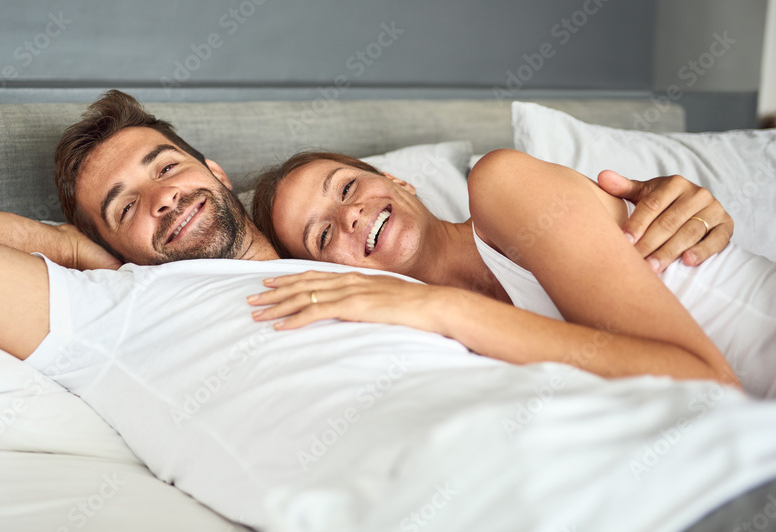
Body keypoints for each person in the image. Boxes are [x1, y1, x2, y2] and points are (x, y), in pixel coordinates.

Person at [0, 90, 776, 532]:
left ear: (214, 170)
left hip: (707, 448)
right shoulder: (113, 308)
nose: (157, 199)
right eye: (120, 205)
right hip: (524, 525)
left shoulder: (370, 264)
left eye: (161, 165)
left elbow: (664, 342)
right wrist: (65, 249)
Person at [248, 149, 776, 397]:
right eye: (322, 236)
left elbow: (707, 385)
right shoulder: (440, 347)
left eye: (346, 188)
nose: (351, 216)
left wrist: (445, 308)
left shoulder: (502, 185)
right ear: (336, 273)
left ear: (399, 181)